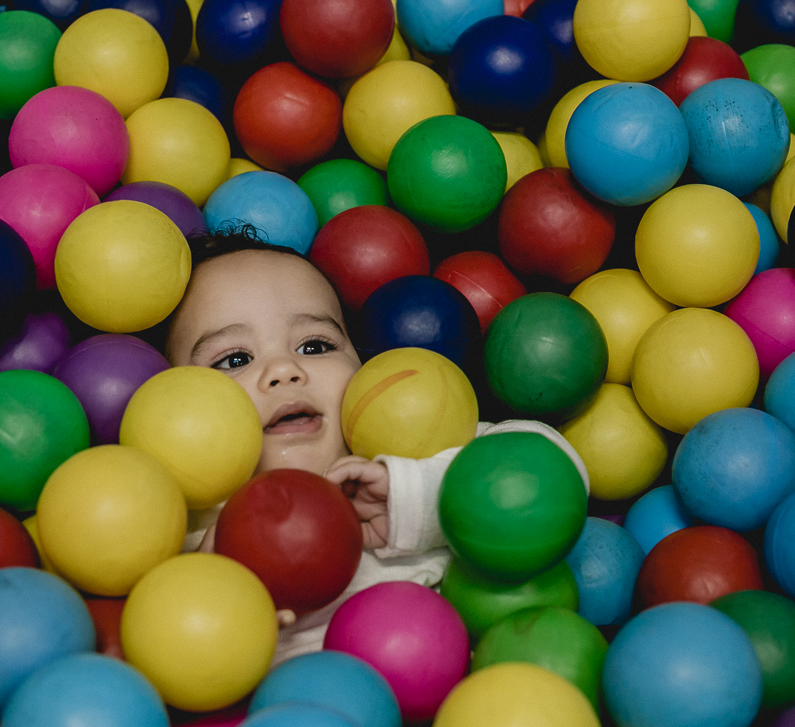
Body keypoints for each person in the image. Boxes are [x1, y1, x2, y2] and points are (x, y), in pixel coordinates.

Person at [164, 229, 589, 663]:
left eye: (314, 345)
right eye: (235, 359)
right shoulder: (185, 521)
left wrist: (415, 496)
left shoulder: (416, 454)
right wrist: (213, 585)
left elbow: (554, 472)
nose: (284, 369)